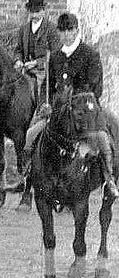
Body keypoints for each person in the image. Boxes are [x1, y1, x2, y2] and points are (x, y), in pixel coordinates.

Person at [23, 13, 118, 197]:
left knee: (101, 137)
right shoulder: (56, 57)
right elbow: (47, 88)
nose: (67, 35)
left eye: (70, 30)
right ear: (59, 33)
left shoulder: (90, 54)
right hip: (58, 111)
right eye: (63, 31)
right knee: (30, 134)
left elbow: (95, 88)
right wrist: (45, 103)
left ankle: (109, 178)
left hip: (85, 110)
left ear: (76, 30)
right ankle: (27, 176)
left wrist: (74, 103)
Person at [13, 0, 57, 100]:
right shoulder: (24, 29)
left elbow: (55, 54)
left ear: (43, 11)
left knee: (37, 92)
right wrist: (18, 60)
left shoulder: (51, 29)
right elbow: (18, 50)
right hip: (24, 69)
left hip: (43, 71)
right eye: (31, 12)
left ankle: (39, 112)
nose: (34, 16)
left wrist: (36, 63)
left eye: (37, 12)